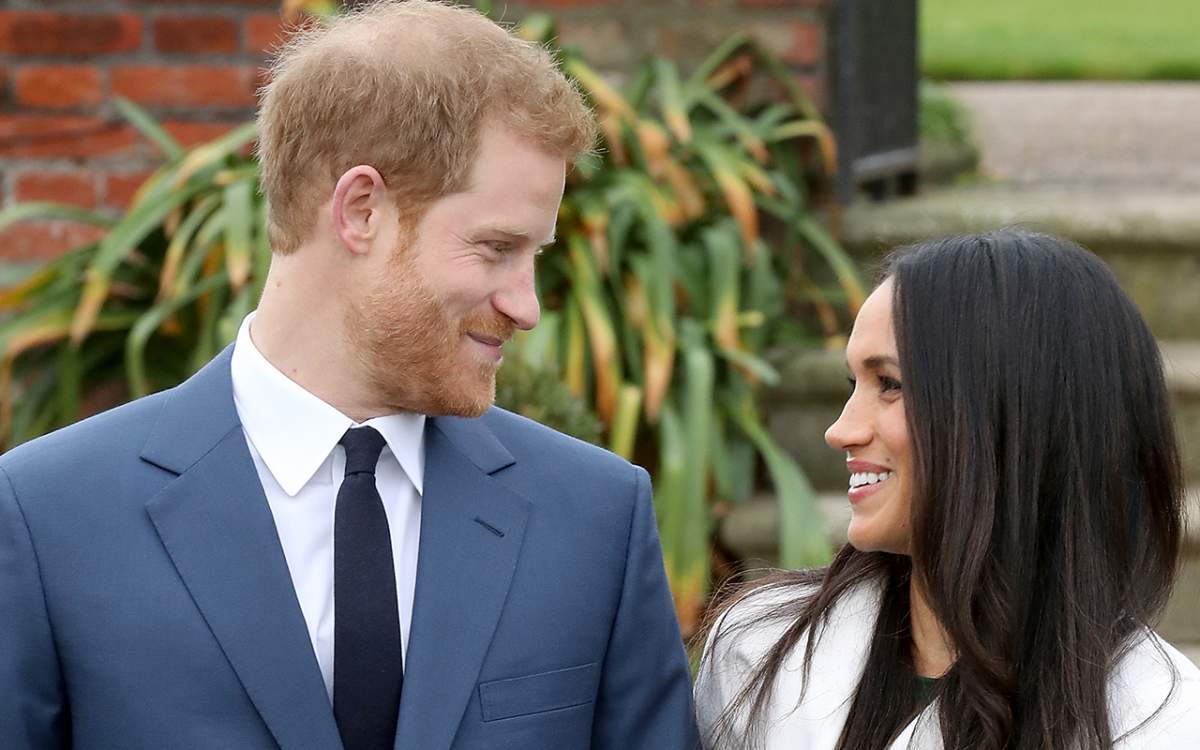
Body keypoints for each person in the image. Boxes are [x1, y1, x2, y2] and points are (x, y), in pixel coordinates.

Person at [0, 2, 698, 748]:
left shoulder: (594, 518)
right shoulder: (47, 519)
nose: (526, 306)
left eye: (537, 255)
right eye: (496, 248)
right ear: (361, 209)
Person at [694, 229, 1200, 749]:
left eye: (889, 384)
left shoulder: (1164, 725)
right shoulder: (756, 653)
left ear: (1012, 417)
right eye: (854, 386)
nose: (841, 431)